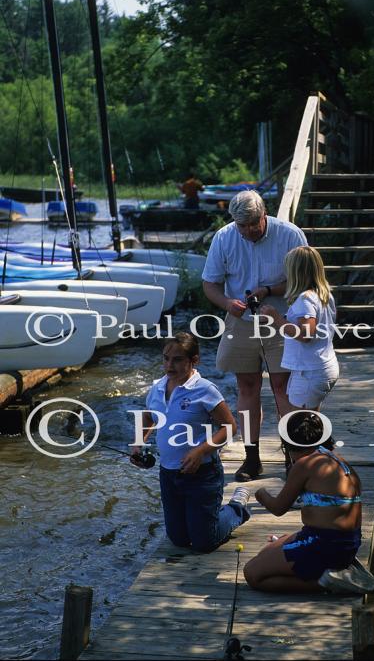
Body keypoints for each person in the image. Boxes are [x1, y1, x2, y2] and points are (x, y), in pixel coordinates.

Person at [202, 190, 308, 481]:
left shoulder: (290, 235)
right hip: (242, 321)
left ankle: (293, 456)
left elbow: (305, 280)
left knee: (282, 388)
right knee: (246, 387)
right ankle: (251, 459)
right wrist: (227, 304)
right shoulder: (224, 238)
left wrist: (269, 290)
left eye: (253, 224)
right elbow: (209, 284)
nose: (248, 230)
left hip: (281, 319)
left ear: (265, 215)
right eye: (242, 226)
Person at [135, 332, 251, 553]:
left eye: (177, 359)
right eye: (166, 358)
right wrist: (138, 444)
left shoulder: (204, 389)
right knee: (178, 540)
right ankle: (202, 519)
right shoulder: (157, 388)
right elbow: (148, 417)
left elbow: (230, 427)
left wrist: (201, 451)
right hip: (168, 475)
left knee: (203, 543)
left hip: (202, 475)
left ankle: (236, 508)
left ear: (194, 360)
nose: (170, 365)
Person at [243, 411, 363, 593]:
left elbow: (278, 508)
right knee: (265, 553)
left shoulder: (305, 464)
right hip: (347, 544)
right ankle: (333, 569)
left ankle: (326, 582)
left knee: (252, 573)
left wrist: (261, 494)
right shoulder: (337, 459)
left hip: (324, 545)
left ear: (288, 443)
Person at [260, 245, 339, 412]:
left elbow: (306, 334)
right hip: (322, 366)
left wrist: (276, 318)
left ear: (296, 273)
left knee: (302, 423)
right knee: (311, 421)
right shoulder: (323, 294)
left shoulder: (305, 299)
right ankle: (322, 439)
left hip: (310, 372)